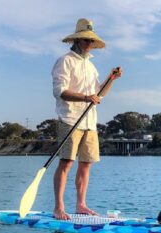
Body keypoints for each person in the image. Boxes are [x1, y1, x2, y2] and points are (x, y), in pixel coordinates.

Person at [52, 18, 122, 220]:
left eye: (91, 41)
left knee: (86, 164)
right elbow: (59, 92)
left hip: (90, 121)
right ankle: (59, 207)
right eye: (85, 40)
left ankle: (81, 205)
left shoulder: (91, 67)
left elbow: (98, 95)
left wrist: (111, 79)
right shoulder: (65, 61)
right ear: (76, 40)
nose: (89, 44)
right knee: (66, 163)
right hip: (70, 119)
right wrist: (85, 97)